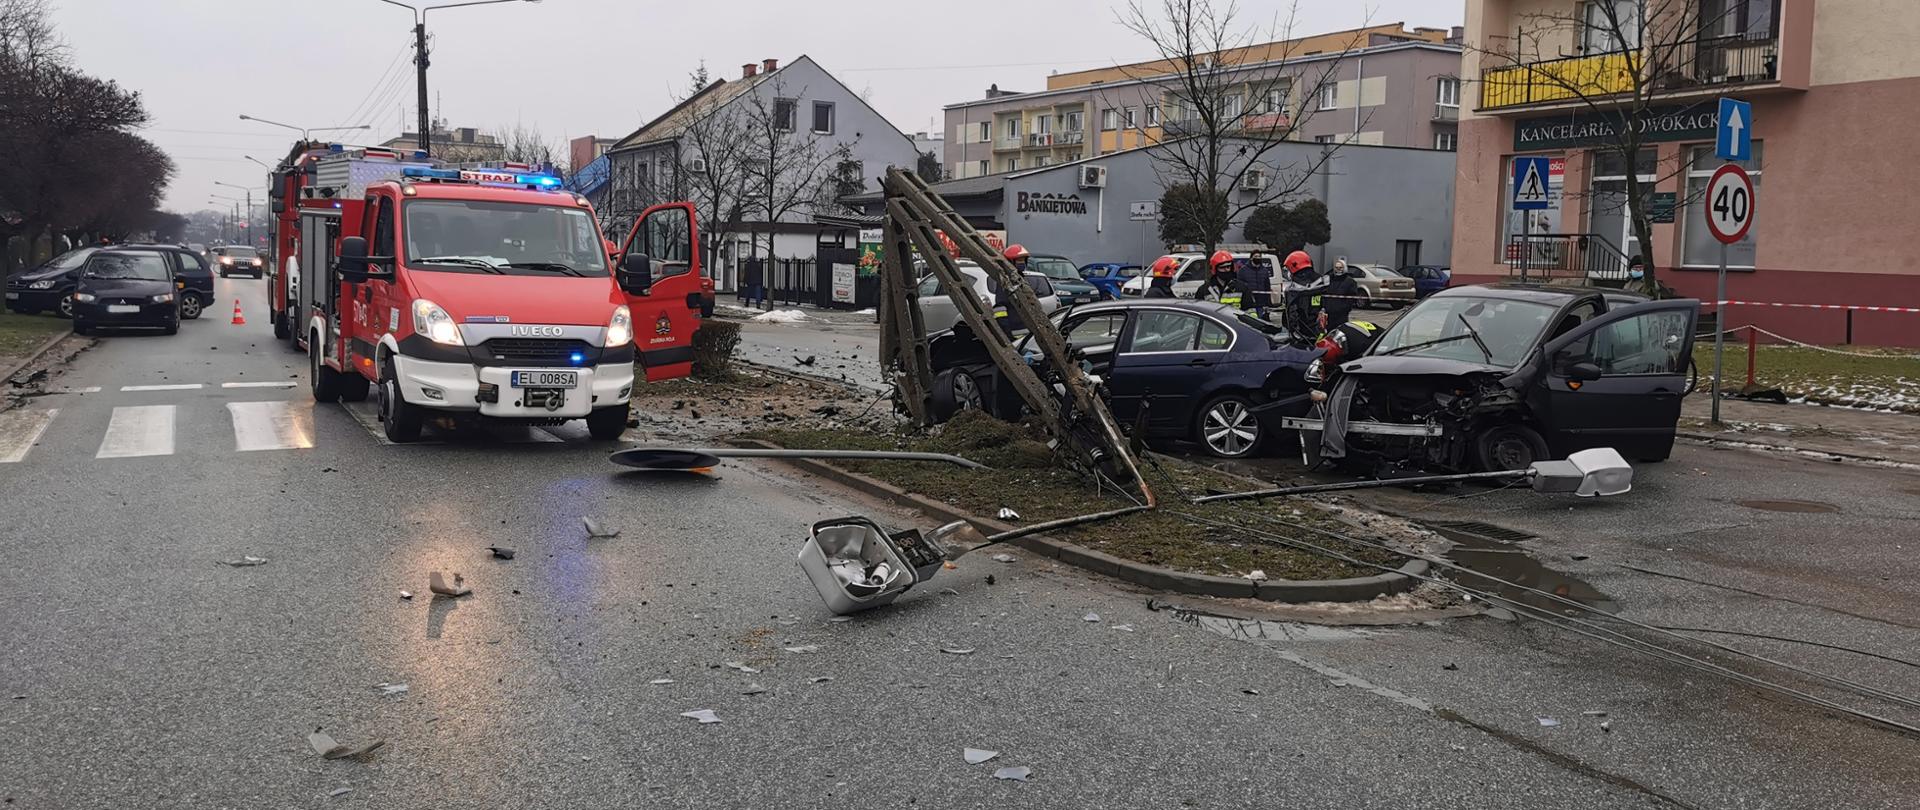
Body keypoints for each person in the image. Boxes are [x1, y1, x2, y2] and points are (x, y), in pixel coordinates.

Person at [1282, 250, 1326, 335]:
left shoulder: (1295, 287)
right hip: (1319, 328)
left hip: (1302, 331)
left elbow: (1292, 313)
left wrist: (1292, 329)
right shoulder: (1321, 281)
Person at [994, 243, 1031, 336]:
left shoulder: (1021, 280)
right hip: (1014, 333)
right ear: (1010, 262)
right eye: (1019, 260)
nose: (1022, 263)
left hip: (1027, 331)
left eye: (1023, 260)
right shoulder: (1006, 282)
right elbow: (1000, 309)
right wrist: (1007, 332)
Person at [1320, 257, 1362, 331]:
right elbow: (1323, 294)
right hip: (1329, 315)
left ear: (1344, 268)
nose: (1338, 269)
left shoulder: (1350, 282)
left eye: (1340, 267)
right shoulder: (1329, 280)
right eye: (1336, 267)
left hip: (1341, 315)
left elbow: (1352, 298)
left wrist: (1344, 308)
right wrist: (1324, 307)